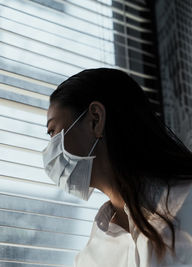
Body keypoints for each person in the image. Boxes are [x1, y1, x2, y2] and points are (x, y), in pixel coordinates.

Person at [41, 68, 192, 267]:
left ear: (95, 119)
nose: (49, 150)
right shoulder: (90, 258)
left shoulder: (186, 202)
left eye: (53, 131)